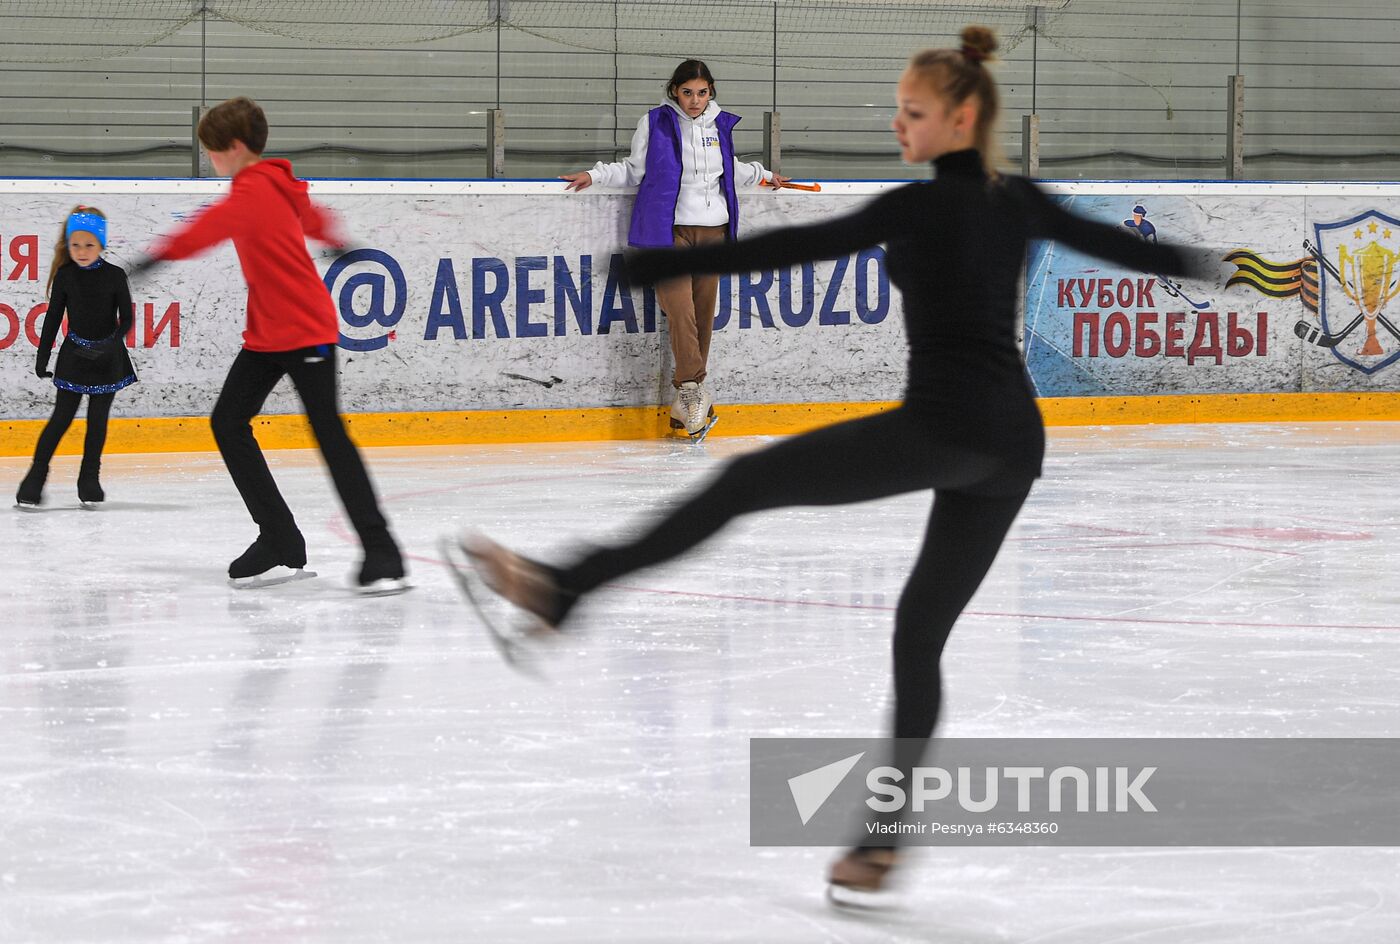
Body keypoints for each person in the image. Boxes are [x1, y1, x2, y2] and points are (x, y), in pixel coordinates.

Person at [450, 27, 1203, 897]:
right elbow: (1146, 255)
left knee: (741, 483)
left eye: (911, 112)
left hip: (944, 429)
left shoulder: (914, 208)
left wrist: (653, 263)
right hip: (1011, 446)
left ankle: (564, 589)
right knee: (918, 636)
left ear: (959, 117)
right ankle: (881, 847)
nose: (897, 125)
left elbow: (780, 252)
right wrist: (1259, 273)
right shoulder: (1021, 199)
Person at [132, 96, 408, 594]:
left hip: (303, 330)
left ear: (235, 148)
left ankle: (381, 549)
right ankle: (279, 537)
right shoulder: (280, 184)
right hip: (268, 333)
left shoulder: (252, 193)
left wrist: (156, 257)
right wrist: (333, 237)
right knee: (228, 422)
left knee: (327, 436)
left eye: (214, 153)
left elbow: (208, 228)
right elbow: (311, 212)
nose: (211, 162)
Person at [561, 59, 789, 440]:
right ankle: (691, 390)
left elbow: (728, 170)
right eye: (687, 93)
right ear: (675, 92)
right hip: (667, 233)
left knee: (703, 315)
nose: (695, 101)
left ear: (711, 92)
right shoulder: (655, 122)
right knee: (680, 310)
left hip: (713, 233)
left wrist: (765, 175)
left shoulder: (720, 126)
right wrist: (595, 174)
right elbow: (633, 170)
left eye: (702, 93)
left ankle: (686, 400)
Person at [17, 206, 137, 508]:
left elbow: (127, 320)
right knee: (61, 419)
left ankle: (89, 481)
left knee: (97, 422)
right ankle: (34, 479)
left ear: (101, 245)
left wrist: (110, 345)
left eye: (89, 245)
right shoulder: (66, 276)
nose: (82, 251)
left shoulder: (115, 275)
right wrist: (42, 358)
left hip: (108, 360)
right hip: (74, 357)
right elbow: (53, 318)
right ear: (68, 245)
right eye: (75, 245)